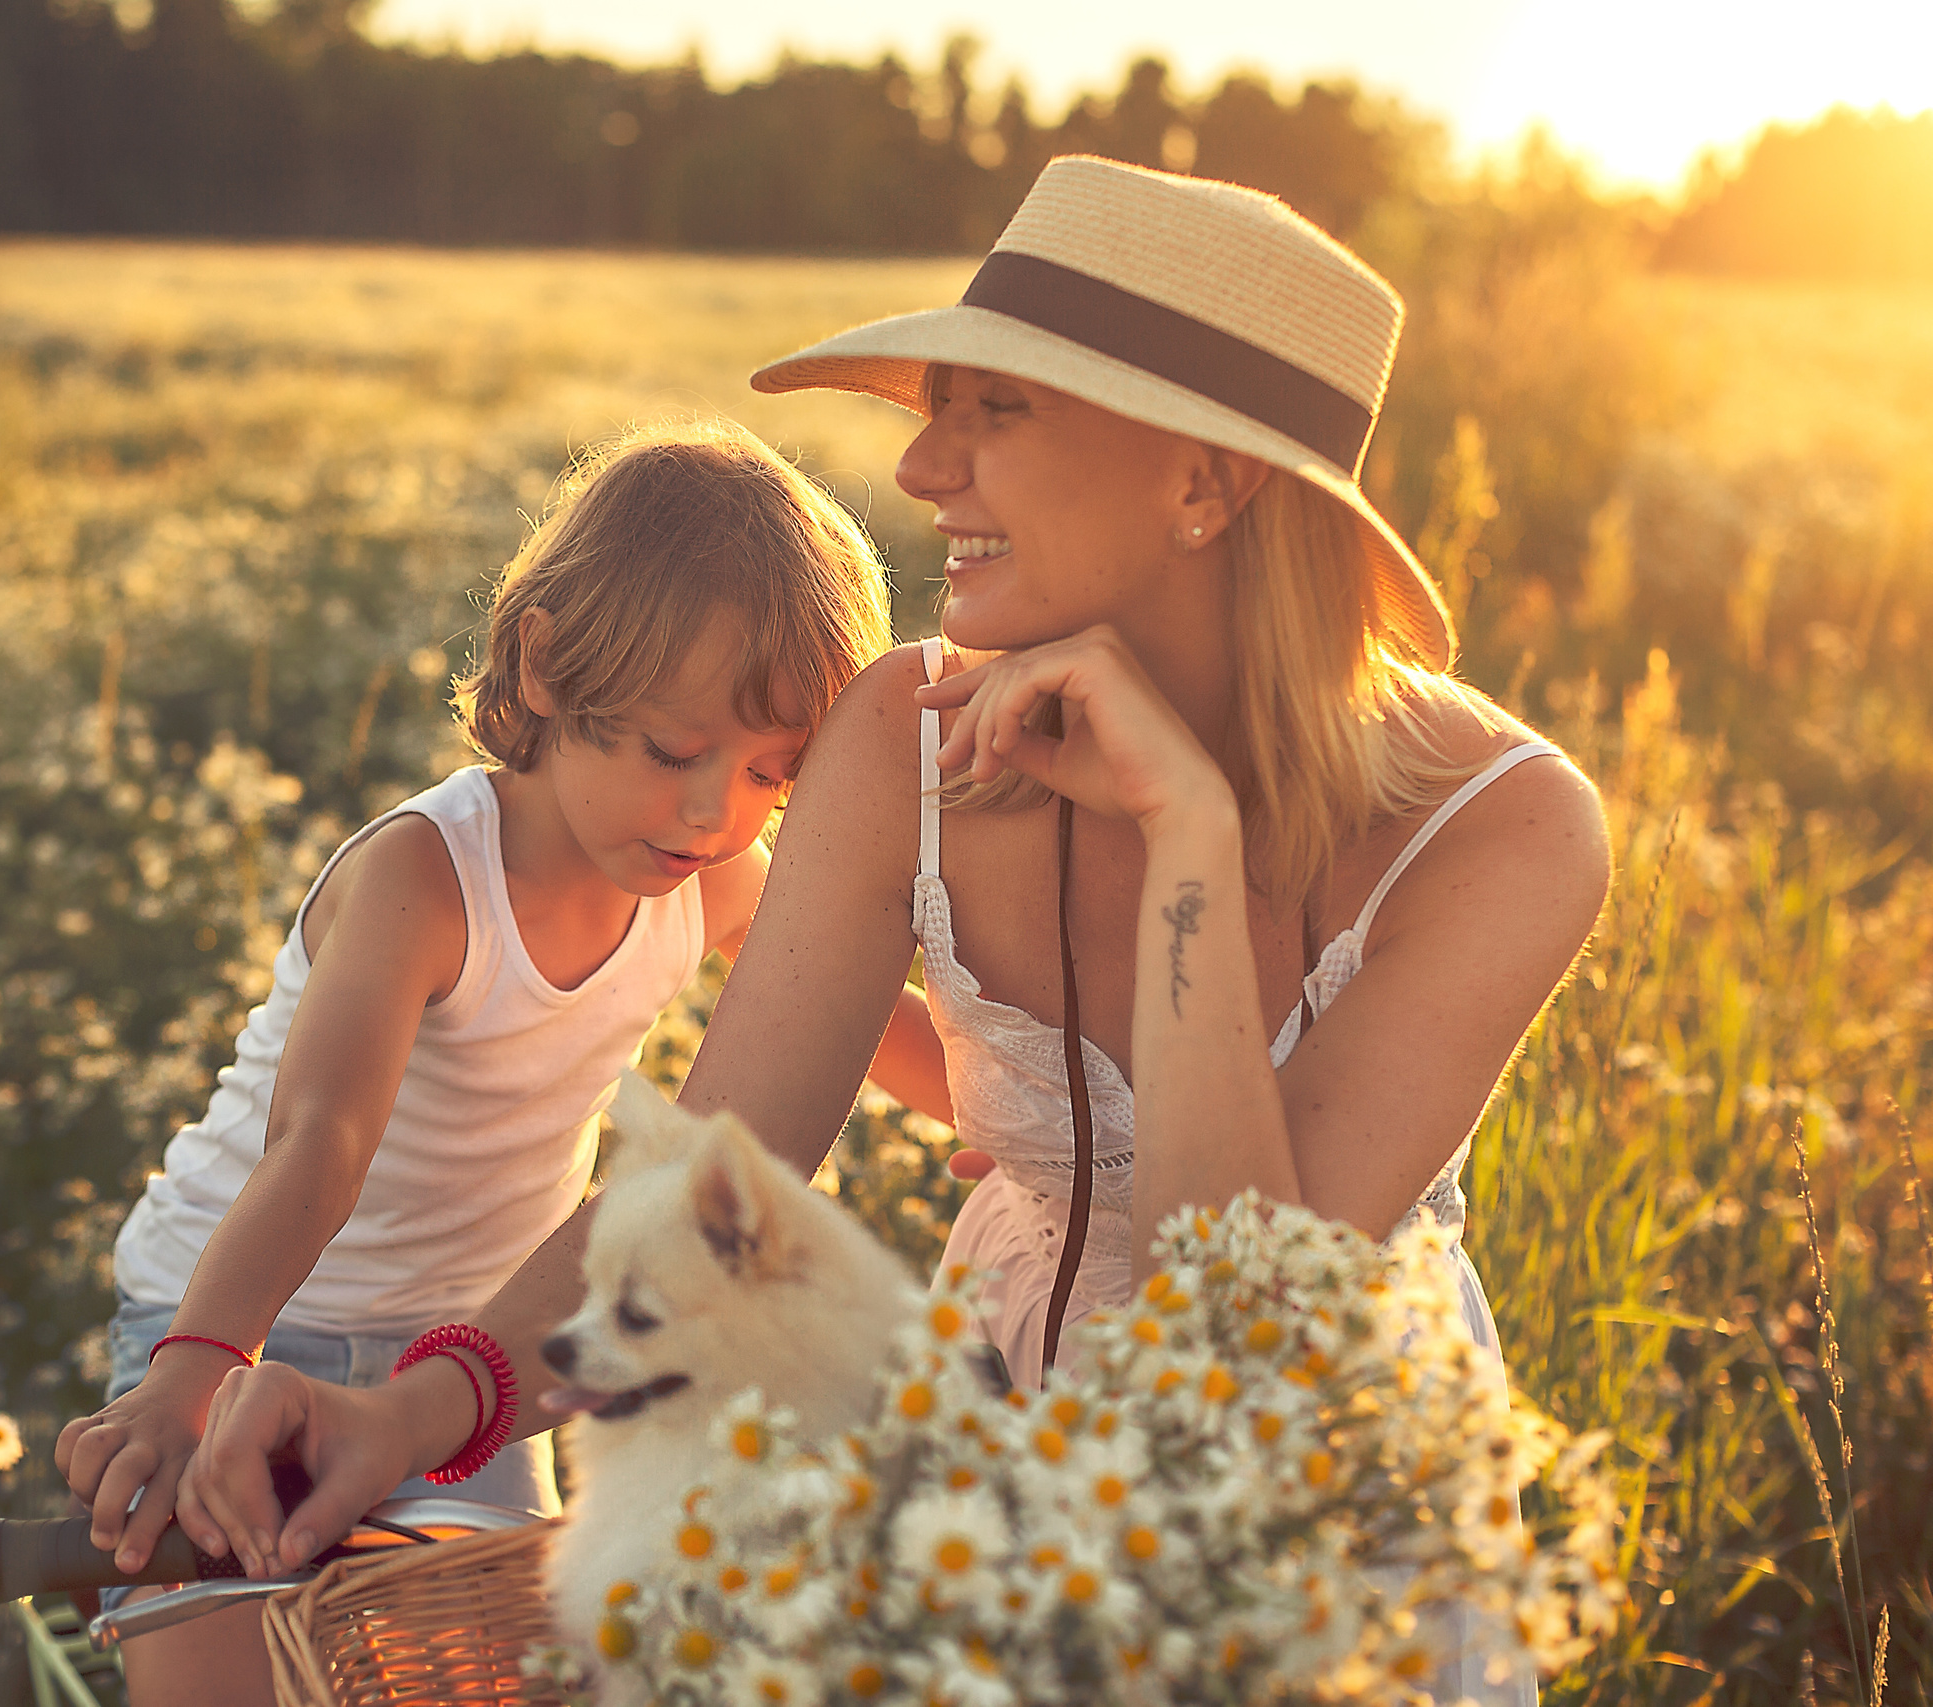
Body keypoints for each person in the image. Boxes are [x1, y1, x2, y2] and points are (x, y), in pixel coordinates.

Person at [185, 159, 1608, 1703]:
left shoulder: (1509, 831)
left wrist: (1185, 832)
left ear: (1205, 483)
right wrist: (405, 1418)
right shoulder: (900, 734)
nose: (923, 465)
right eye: (936, 405)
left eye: (996, 412)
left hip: (1328, 1515)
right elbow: (704, 1173)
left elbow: (1242, 1343)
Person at [52, 418, 947, 1704]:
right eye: (671, 751)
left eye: (768, 772)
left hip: (469, 1356)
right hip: (239, 1315)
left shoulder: (714, 880)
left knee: (489, 1678)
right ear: (542, 666)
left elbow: (865, 1025)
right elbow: (320, 1149)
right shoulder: (426, 878)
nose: (715, 813)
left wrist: (1018, 1120)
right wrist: (193, 1372)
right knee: (221, 1672)